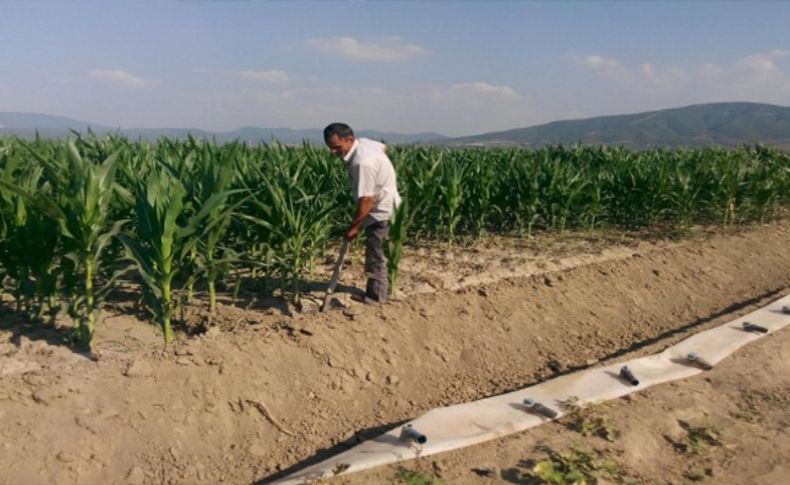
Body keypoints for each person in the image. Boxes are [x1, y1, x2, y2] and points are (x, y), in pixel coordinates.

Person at [324, 122, 401, 304]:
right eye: (330, 147)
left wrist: (354, 227)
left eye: (337, 147)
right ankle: (381, 291)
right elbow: (384, 147)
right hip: (388, 206)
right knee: (379, 254)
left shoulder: (362, 163)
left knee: (376, 256)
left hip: (382, 213)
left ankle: (376, 298)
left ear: (349, 139)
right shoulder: (365, 143)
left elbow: (367, 199)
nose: (333, 152)